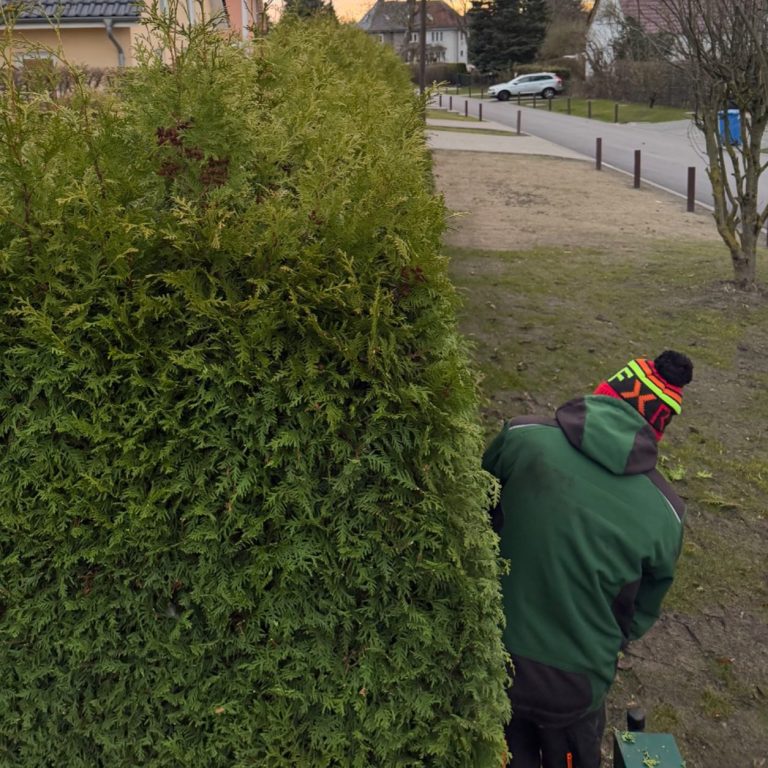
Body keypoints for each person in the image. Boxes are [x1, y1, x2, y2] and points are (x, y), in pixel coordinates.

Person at [482, 351, 694, 768]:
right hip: (575, 689)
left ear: (602, 394)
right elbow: (638, 616)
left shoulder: (522, 437)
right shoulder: (667, 512)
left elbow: (476, 514)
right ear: (656, 431)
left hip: (489, 658)